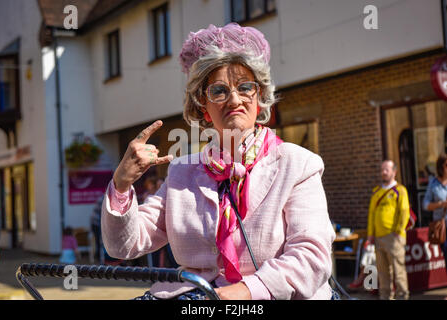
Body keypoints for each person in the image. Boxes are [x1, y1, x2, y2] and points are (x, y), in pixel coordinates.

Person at [101, 23, 335, 300]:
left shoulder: (299, 164)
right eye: (219, 91)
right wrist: (121, 184)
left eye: (245, 87)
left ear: (259, 99)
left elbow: (312, 257)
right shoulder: (181, 171)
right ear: (204, 108)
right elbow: (123, 247)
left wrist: (247, 291)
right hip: (197, 297)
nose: (234, 99)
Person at [366, 160, 410, 300]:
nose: (384, 172)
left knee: (399, 272)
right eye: (382, 169)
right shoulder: (376, 192)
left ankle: (403, 296)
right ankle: (385, 297)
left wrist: (398, 231)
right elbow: (372, 214)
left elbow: (404, 212)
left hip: (394, 237)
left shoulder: (400, 190)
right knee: (383, 273)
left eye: (387, 169)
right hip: (378, 238)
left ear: (394, 172)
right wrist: (370, 235)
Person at [423, 154, 447, 274]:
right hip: (442, 226)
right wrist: (441, 204)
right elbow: (425, 205)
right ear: (441, 167)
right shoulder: (433, 184)